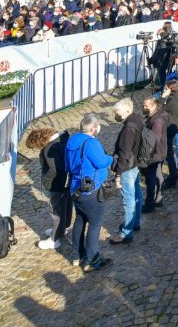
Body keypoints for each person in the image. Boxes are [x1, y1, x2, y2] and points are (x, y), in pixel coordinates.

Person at [65, 113, 114, 272]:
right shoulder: (91, 143)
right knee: (95, 224)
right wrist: (110, 158)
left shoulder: (72, 140)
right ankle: (92, 260)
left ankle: (77, 256)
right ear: (94, 128)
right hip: (90, 190)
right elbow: (101, 162)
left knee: (80, 220)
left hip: (76, 189)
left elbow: (67, 166)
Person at [26, 127, 73, 250]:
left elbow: (53, 169)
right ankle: (63, 228)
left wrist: (45, 180)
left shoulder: (48, 149)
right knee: (67, 205)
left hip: (57, 183)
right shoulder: (63, 139)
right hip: (69, 180)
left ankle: (54, 239)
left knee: (57, 211)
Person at [108, 98, 144, 244]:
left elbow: (124, 153)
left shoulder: (128, 128)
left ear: (128, 111)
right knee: (137, 195)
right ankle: (135, 223)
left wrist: (118, 173)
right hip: (135, 164)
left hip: (128, 167)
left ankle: (126, 233)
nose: (116, 114)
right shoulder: (137, 119)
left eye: (118, 112)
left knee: (129, 200)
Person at [140, 97, 169, 211]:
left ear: (154, 106)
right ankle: (158, 199)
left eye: (146, 106)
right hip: (158, 152)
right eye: (143, 106)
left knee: (151, 179)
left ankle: (150, 203)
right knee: (157, 175)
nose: (144, 108)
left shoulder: (157, 120)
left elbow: (153, 140)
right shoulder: (155, 116)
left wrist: (146, 155)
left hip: (155, 154)